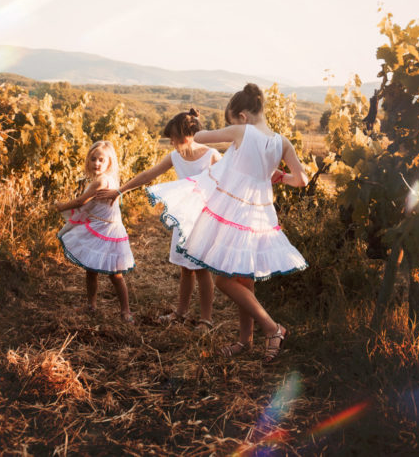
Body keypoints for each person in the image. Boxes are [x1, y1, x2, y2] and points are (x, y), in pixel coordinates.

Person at [146, 84, 308, 363]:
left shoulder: (242, 131)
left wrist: (204, 125)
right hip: (261, 214)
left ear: (242, 116)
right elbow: (301, 180)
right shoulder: (283, 142)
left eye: (232, 120)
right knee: (244, 279)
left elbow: (200, 135)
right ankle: (245, 341)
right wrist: (280, 177)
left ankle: (272, 328)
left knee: (224, 280)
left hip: (236, 212)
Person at [97, 109, 221, 331]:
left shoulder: (211, 155)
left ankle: (206, 319)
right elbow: (148, 175)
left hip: (204, 218)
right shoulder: (175, 157)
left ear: (186, 135)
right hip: (183, 218)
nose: (171, 142)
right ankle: (180, 313)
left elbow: (226, 182)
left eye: (173, 137)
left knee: (202, 269)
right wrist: (120, 191)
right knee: (186, 268)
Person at [53, 140, 135, 322]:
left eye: (101, 160)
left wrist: (60, 206)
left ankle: (125, 310)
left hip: (108, 230)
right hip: (100, 226)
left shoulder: (102, 181)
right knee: (91, 269)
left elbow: (80, 201)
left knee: (115, 274)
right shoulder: (108, 179)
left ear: (109, 163)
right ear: (88, 161)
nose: (96, 163)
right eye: (93, 159)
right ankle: (92, 306)